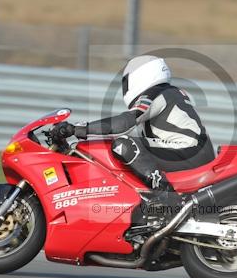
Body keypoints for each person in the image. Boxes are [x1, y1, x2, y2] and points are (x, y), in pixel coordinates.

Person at [51, 55, 216, 216]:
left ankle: (167, 198)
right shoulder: (167, 92)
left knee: (123, 144)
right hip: (192, 150)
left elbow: (124, 123)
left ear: (141, 75)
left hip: (188, 152)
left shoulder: (155, 94)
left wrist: (79, 129)